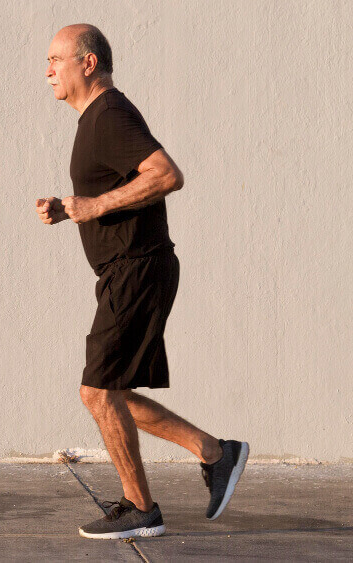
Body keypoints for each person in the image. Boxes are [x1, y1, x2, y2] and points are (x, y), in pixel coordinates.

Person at [37, 23, 249, 540]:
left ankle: (141, 509)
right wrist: (70, 210)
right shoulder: (95, 120)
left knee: (97, 391)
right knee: (111, 392)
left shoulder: (109, 115)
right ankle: (215, 453)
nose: (47, 71)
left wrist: (93, 205)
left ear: (88, 64)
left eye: (56, 60)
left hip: (138, 267)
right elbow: (116, 192)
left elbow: (165, 173)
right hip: (126, 270)